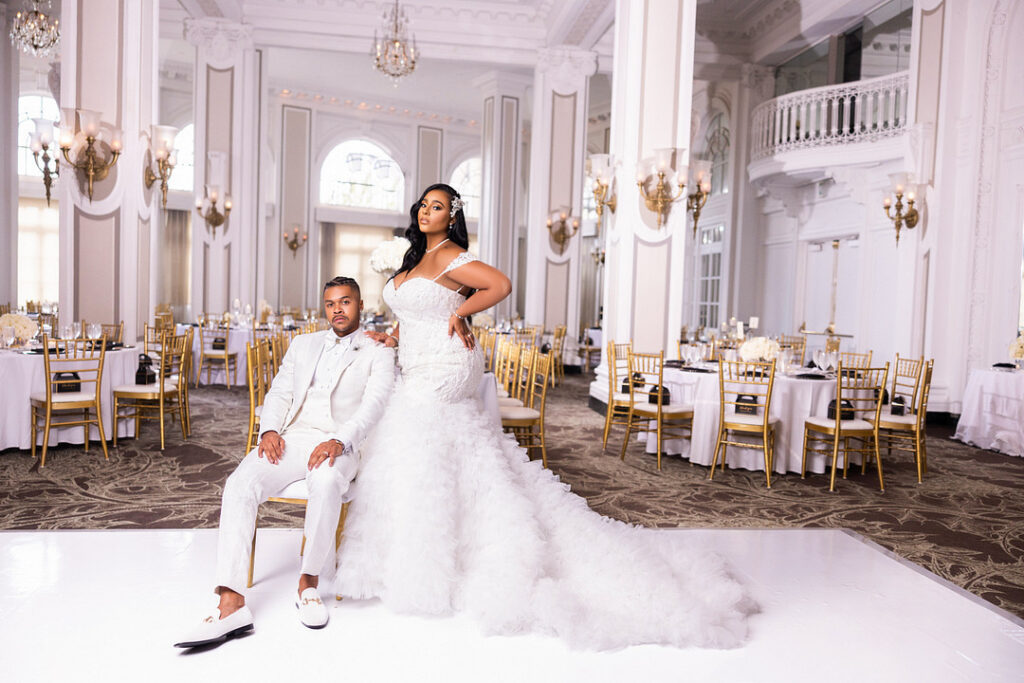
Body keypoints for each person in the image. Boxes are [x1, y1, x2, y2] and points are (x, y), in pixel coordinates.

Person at [340, 184, 754, 650]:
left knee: (419, 432)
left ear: (451, 216)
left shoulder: (453, 256)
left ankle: (440, 563)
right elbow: (417, 310)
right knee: (420, 443)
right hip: (417, 360)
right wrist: (393, 338)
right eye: (423, 204)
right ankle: (425, 550)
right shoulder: (415, 259)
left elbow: (499, 284)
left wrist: (463, 313)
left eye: (436, 207)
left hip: (448, 367)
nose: (425, 211)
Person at [175, 276, 395, 648]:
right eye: (330, 303)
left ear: (360, 305)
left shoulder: (378, 350)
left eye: (345, 302)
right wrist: (269, 431)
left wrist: (339, 441)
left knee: (325, 483)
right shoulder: (303, 343)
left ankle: (308, 583)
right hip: (293, 438)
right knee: (240, 484)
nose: (337, 309)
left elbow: (375, 405)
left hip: (341, 443)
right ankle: (231, 602)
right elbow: (278, 391)